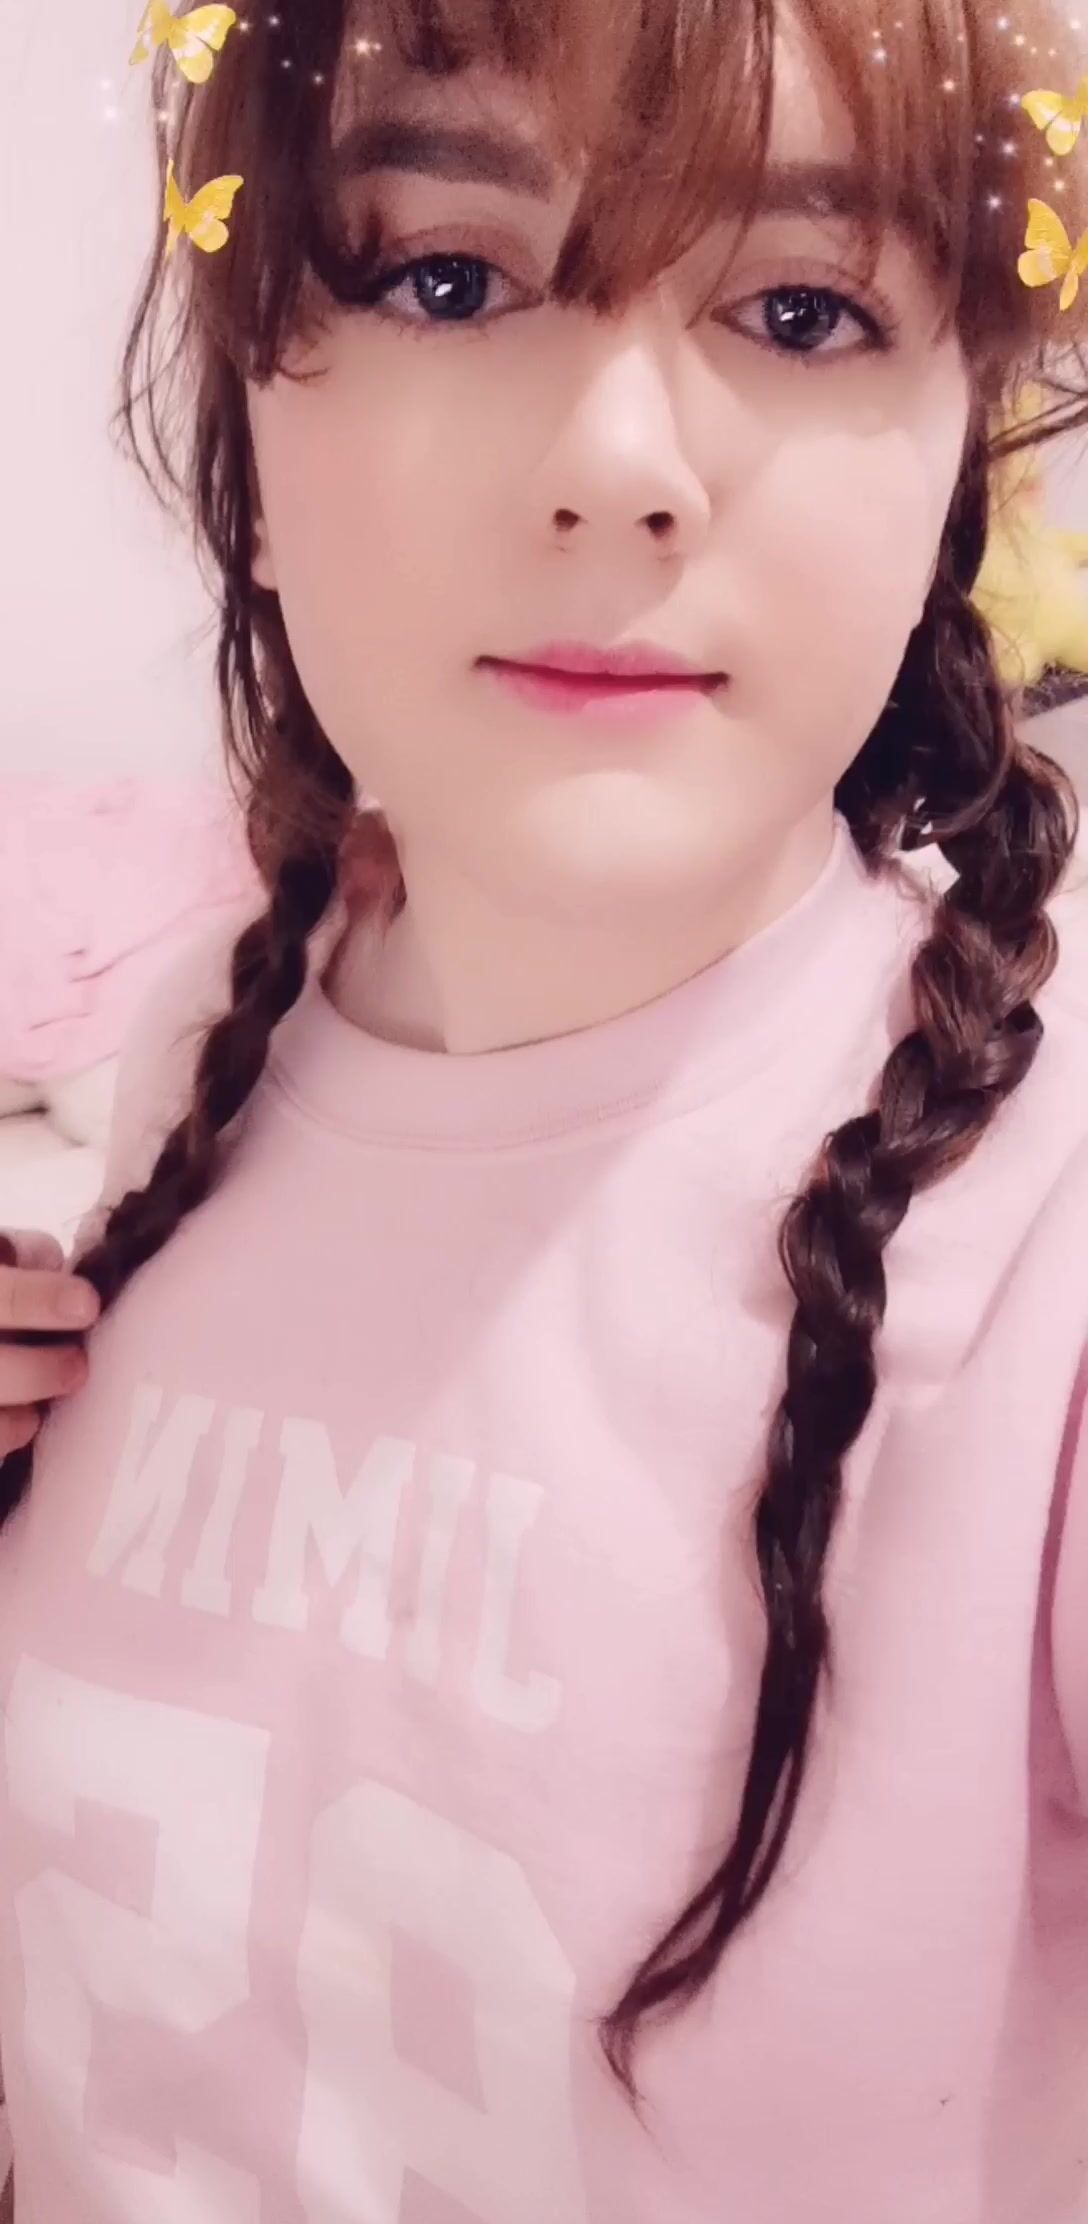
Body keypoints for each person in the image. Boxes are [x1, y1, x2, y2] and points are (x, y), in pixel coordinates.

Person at [3, 0, 1088, 2213]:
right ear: (250, 429)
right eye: (447, 277)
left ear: (950, 472)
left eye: (804, 310)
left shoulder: (1044, 1238)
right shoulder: (204, 1044)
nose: (617, 457)